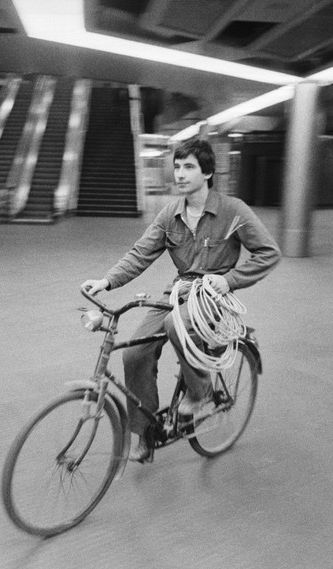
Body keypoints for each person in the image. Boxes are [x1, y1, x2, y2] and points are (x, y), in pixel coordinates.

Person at [82, 138, 281, 463]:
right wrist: (107, 281)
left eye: (188, 166)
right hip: (179, 289)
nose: (180, 173)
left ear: (207, 172)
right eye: (177, 166)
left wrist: (228, 280)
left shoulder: (233, 211)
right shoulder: (170, 215)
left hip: (213, 295)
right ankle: (145, 435)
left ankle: (199, 391)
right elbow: (140, 253)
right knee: (134, 354)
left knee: (179, 323)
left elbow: (269, 253)